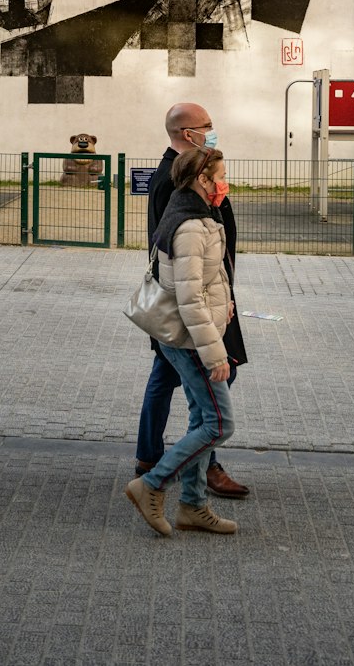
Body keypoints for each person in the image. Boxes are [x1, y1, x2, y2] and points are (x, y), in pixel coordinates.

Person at [134, 101, 249, 499]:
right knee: (214, 387)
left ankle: (154, 459)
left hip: (199, 300)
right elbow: (185, 264)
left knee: (165, 377)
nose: (213, 130)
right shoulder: (177, 180)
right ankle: (192, 466)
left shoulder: (185, 171)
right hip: (191, 307)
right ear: (187, 134)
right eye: (207, 125)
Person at [125, 146, 238, 536]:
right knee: (219, 424)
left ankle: (192, 505)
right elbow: (189, 298)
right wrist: (215, 354)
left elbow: (204, 280)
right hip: (193, 342)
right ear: (202, 180)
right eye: (220, 175)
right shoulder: (191, 226)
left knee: (199, 418)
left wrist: (227, 301)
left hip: (193, 335)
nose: (225, 183)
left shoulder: (193, 213)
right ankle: (152, 484)